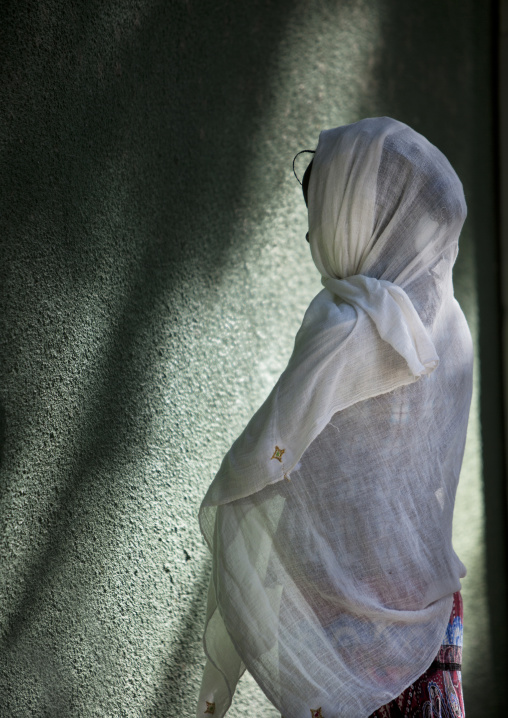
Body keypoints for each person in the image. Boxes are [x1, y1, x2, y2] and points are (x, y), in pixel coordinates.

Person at [197, 117, 472, 718]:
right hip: (425, 607)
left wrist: (248, 477)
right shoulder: (450, 327)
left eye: (319, 215)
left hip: (349, 615)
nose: (309, 238)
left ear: (363, 218)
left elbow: (272, 453)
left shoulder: (350, 323)